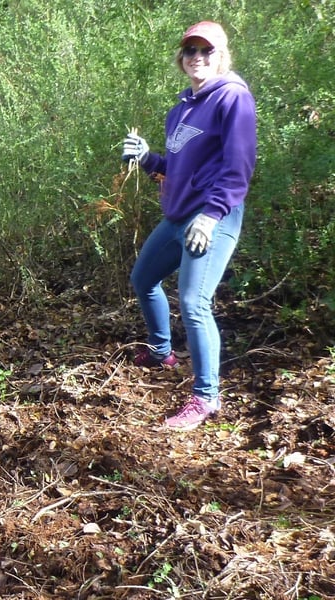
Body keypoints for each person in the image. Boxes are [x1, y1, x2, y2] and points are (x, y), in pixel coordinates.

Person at [121, 21, 256, 431]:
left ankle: (206, 397)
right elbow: (176, 171)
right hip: (178, 217)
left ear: (221, 55)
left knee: (195, 305)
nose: (197, 57)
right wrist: (148, 159)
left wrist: (212, 215)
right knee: (143, 279)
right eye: (190, 51)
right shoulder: (180, 110)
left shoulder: (233, 99)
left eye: (206, 51)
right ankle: (162, 352)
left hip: (212, 219)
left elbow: (238, 168)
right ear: (181, 58)